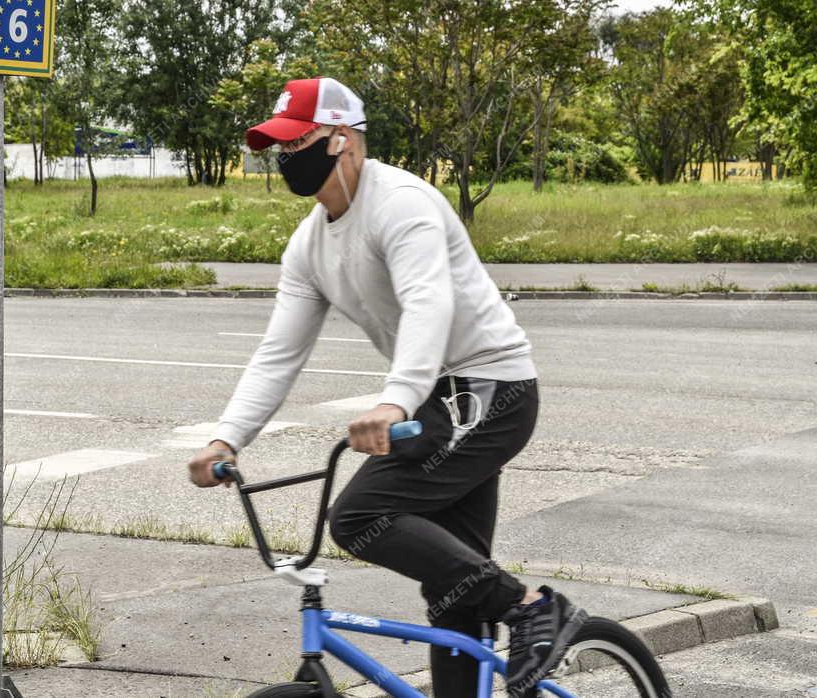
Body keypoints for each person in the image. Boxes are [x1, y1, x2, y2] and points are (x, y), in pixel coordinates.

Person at [188, 77, 586, 697]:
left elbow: (429, 304)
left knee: (360, 515)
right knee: (454, 594)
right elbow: (278, 353)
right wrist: (226, 440)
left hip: (490, 387)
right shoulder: (309, 245)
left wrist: (394, 400)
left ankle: (535, 607)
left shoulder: (402, 203)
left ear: (342, 140)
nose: (286, 160)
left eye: (297, 144)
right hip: (437, 400)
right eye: (279, 149)